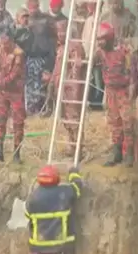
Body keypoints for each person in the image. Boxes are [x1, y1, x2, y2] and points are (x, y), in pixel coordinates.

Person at [25, 164, 83, 254]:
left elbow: (28, 215)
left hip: (37, 244)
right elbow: (77, 188)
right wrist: (73, 173)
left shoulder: (33, 198)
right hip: (56, 243)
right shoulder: (64, 192)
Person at [94, 22, 134, 167]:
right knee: (114, 122)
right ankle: (116, 153)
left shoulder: (123, 52)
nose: (100, 43)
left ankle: (130, 154)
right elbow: (91, 65)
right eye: (98, 40)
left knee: (128, 122)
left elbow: (133, 71)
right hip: (110, 91)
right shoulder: (99, 53)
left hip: (124, 91)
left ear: (110, 38)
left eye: (102, 39)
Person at [45, 19, 86, 156]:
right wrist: (52, 83)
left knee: (74, 118)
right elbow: (57, 68)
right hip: (60, 88)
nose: (60, 34)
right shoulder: (61, 48)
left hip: (71, 89)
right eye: (59, 32)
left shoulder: (75, 47)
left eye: (63, 31)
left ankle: (78, 148)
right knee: (65, 119)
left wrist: (72, 89)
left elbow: (76, 70)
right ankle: (71, 145)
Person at [0, 25, 26, 163]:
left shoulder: (18, 53)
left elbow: (13, 76)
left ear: (11, 39)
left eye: (5, 40)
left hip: (15, 92)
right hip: (2, 93)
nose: (3, 43)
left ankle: (16, 154)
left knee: (17, 122)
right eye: (1, 39)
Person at [25, 0, 56, 114]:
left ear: (38, 6)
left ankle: (43, 108)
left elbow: (53, 42)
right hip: (29, 57)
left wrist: (50, 63)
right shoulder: (24, 19)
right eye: (30, 7)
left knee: (42, 84)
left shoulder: (47, 19)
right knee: (30, 84)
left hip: (43, 57)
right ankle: (31, 109)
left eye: (34, 6)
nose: (32, 9)